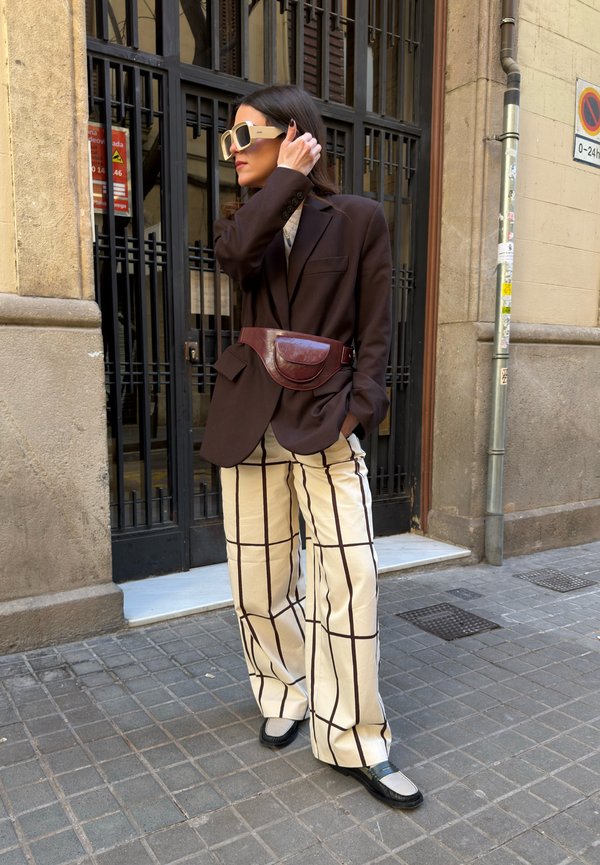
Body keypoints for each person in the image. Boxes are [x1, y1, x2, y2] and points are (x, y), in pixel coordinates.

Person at [200, 84, 423, 810]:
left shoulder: (358, 218)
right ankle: (284, 690)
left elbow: (376, 326)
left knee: (351, 572)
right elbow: (233, 258)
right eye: (227, 138)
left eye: (245, 136)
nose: (231, 150)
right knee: (258, 580)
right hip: (249, 411)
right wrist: (284, 179)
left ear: (294, 134)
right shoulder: (249, 217)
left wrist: (362, 407)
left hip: (325, 413)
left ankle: (354, 733)